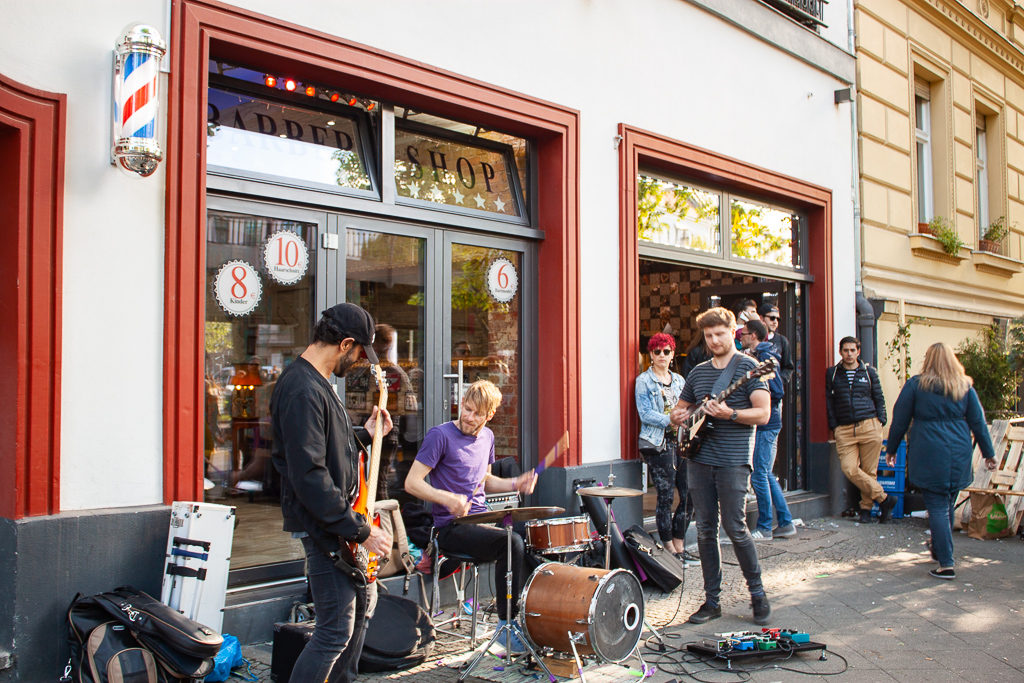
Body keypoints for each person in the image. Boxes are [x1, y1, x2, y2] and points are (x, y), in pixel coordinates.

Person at [270, 303, 394, 683]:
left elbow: (327, 448)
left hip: (336, 524)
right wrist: (359, 529)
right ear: (344, 344)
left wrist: (365, 435)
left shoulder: (318, 384)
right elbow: (309, 474)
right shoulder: (302, 388)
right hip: (326, 529)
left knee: (363, 605)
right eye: (358, 352)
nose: (358, 362)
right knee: (334, 630)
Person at [404, 379, 537, 651]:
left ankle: (526, 616)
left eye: (477, 413)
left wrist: (515, 483)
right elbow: (412, 483)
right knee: (511, 543)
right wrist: (447, 498)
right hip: (449, 528)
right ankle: (505, 624)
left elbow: (485, 481)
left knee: (526, 537)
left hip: (479, 519)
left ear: (490, 415)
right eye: (466, 408)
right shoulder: (439, 436)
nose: (468, 416)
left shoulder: (487, 437)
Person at [669, 307, 773, 626]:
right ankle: (711, 601)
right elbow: (682, 408)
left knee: (735, 526)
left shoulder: (751, 367)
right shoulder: (699, 372)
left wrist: (730, 414)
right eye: (709, 336)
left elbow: (764, 414)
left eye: (720, 334)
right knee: (703, 530)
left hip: (732, 459)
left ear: (734, 333)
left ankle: (757, 594)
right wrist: (678, 417)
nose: (714, 340)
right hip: (699, 458)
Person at [885, 343, 997, 580]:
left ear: (928, 360)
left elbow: (900, 419)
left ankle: (946, 563)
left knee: (936, 507)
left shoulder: (916, 385)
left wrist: (892, 449)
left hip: (928, 451)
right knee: (946, 503)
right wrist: (988, 454)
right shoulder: (964, 387)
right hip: (958, 451)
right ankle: (938, 549)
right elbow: (978, 422)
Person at [635, 333, 696, 565]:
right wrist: (670, 419)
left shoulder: (680, 380)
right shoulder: (644, 381)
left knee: (688, 493)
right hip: (658, 443)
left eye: (666, 351)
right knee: (666, 496)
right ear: (650, 354)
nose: (662, 355)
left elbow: (690, 407)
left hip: (682, 442)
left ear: (672, 353)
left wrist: (687, 418)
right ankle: (669, 548)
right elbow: (645, 414)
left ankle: (681, 544)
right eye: (657, 351)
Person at [825, 336, 897, 524]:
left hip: (869, 424)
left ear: (858, 351)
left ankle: (866, 510)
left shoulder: (869, 372)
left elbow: (878, 397)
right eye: (845, 350)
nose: (849, 354)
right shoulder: (832, 373)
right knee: (849, 468)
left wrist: (881, 420)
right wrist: (834, 425)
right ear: (840, 352)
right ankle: (885, 499)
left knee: (869, 471)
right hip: (845, 429)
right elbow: (829, 401)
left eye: (852, 350)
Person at [740, 319, 795, 540]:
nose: (740, 337)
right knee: (766, 474)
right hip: (769, 422)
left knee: (759, 475)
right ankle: (785, 521)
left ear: (753, 335)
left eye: (743, 334)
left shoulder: (763, 357)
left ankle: (764, 526)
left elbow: (777, 388)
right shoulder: (765, 353)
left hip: (766, 423)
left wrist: (762, 401)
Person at [758, 303, 794, 383]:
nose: (775, 322)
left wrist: (779, 381)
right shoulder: (754, 337)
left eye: (777, 319)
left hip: (774, 391)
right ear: (761, 318)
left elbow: (788, 367)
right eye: (772, 318)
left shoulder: (782, 340)